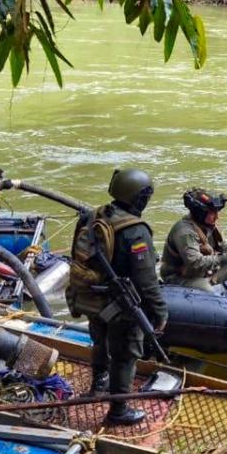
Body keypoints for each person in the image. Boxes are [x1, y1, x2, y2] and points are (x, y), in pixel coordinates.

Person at [66, 169, 167, 426]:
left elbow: (75, 254)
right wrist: (160, 312)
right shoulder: (136, 231)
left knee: (99, 340)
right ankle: (119, 411)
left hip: (91, 297)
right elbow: (147, 281)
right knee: (126, 354)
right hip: (120, 303)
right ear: (139, 197)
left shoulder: (92, 216)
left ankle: (98, 383)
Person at [160, 189, 227, 293]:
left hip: (203, 272)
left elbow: (221, 246)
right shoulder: (184, 232)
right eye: (213, 213)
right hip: (180, 278)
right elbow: (195, 263)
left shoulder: (208, 226)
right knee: (209, 293)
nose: (217, 217)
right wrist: (226, 257)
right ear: (201, 213)